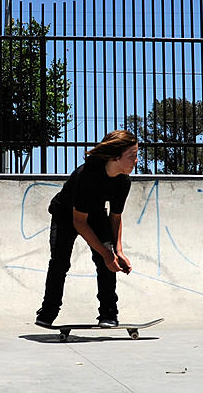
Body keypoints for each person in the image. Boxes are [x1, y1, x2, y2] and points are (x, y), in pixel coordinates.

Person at [35, 130, 139, 328]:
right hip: (65, 214)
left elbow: (115, 217)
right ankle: (48, 311)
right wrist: (107, 254)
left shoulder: (123, 182)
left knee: (107, 259)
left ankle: (109, 313)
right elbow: (79, 222)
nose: (136, 161)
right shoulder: (88, 176)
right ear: (115, 156)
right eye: (132, 156)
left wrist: (117, 251)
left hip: (95, 214)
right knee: (60, 261)